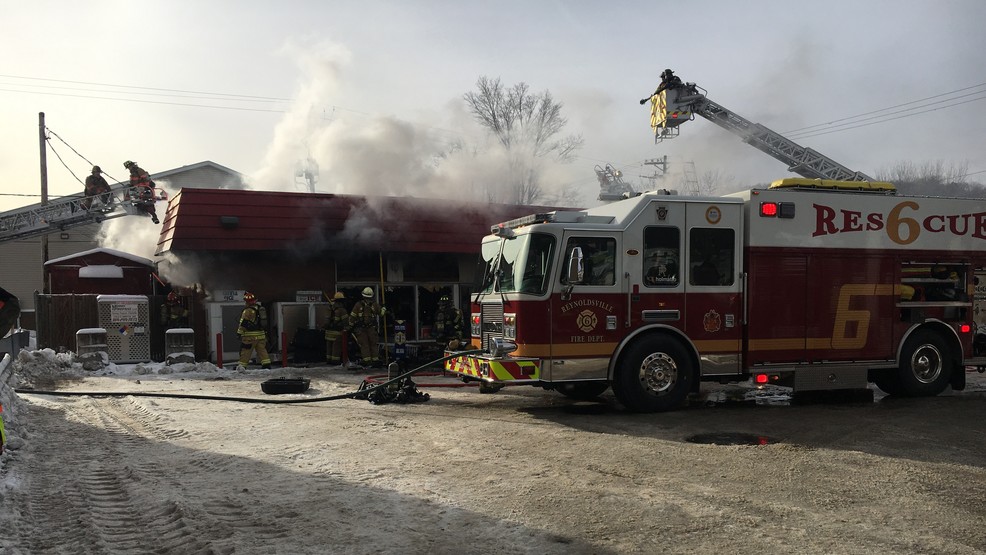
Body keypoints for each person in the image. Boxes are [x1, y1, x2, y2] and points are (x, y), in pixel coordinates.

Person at [349, 287, 385, 367]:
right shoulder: (375, 304)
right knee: (373, 344)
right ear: (371, 296)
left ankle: (367, 361)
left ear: (363, 295)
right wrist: (383, 308)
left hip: (361, 329)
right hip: (372, 328)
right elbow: (382, 314)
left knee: (364, 344)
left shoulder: (358, 305)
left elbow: (352, 316)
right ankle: (375, 360)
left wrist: (350, 326)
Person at [236, 291, 271, 369]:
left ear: (246, 301)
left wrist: (239, 333)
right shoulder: (260, 308)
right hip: (261, 336)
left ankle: (242, 367)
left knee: (246, 351)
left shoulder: (247, 311)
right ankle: (266, 365)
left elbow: (243, 323)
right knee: (262, 351)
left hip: (250, 337)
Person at [323, 291, 349, 365]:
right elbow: (346, 322)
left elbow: (326, 320)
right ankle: (335, 361)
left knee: (329, 347)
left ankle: (328, 360)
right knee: (336, 348)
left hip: (328, 332)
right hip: (337, 333)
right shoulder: (342, 310)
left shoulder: (330, 308)